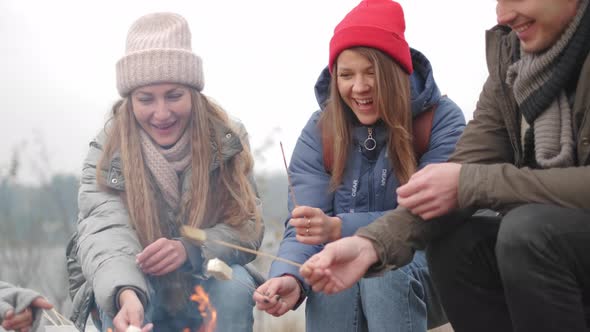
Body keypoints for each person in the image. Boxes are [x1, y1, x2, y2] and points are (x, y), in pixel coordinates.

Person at [301, 0, 590, 331]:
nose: (503, 15)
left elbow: (467, 179)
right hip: (551, 244)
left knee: (527, 230)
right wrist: (371, 244)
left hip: (545, 237)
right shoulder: (512, 64)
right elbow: (460, 173)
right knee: (458, 245)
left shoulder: (440, 116)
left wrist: (472, 182)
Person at [253, 0, 465, 331]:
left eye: (372, 73)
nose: (360, 87)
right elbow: (305, 229)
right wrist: (290, 276)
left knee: (380, 271)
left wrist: (340, 228)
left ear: (396, 72)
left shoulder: (440, 120)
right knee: (329, 275)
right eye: (347, 75)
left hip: (430, 268)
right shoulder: (320, 131)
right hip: (349, 276)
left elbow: (434, 214)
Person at [65, 12, 264, 332]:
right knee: (116, 303)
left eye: (174, 96)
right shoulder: (107, 149)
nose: (161, 113)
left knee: (235, 290)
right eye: (146, 99)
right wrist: (125, 294)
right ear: (130, 100)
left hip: (204, 273)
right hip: (133, 278)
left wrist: (190, 249)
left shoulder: (227, 138)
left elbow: (248, 226)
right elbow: (104, 231)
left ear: (194, 93)